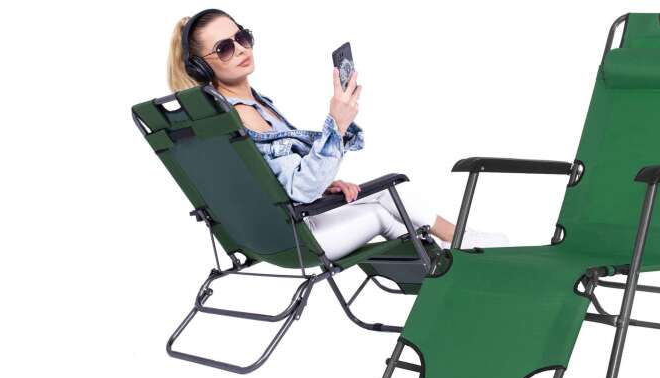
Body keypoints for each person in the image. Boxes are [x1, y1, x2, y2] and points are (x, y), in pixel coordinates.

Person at [166, 9, 510, 261]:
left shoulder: (240, 109)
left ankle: (456, 248)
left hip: (267, 236)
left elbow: (270, 181)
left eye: (242, 38)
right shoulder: (245, 114)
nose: (241, 49)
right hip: (298, 239)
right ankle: (454, 258)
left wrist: (326, 181)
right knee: (385, 205)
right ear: (201, 66)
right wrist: (337, 124)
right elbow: (301, 190)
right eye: (224, 48)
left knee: (386, 196)